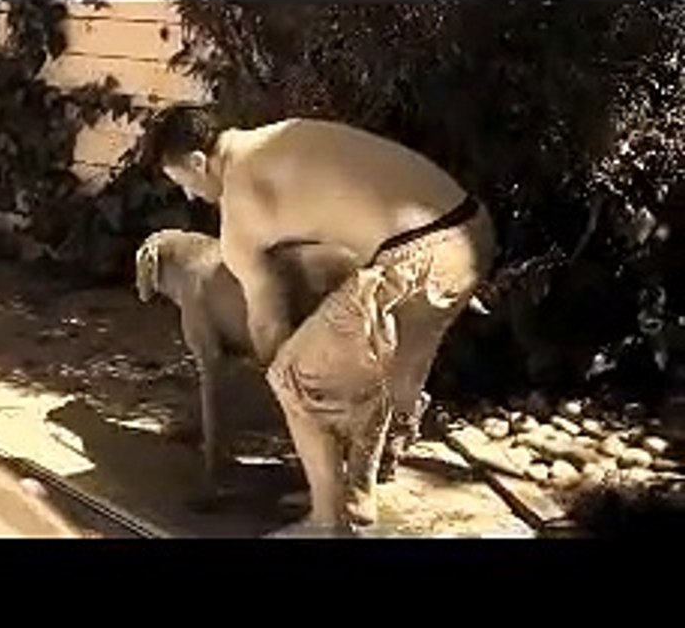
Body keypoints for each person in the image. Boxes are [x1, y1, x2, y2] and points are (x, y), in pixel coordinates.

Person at [142, 104, 496, 535]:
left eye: (184, 183)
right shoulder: (277, 136)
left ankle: (326, 522)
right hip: (472, 234)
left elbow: (267, 324)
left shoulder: (241, 200)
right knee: (381, 379)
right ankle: (358, 497)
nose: (191, 197)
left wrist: (291, 375)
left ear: (199, 163)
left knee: (291, 378)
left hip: (414, 261)